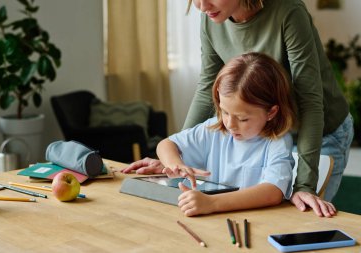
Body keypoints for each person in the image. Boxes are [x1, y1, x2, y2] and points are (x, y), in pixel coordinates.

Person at [123, 0, 354, 217]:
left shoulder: (288, 12)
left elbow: (310, 101)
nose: (202, 6)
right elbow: (206, 89)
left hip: (319, 130)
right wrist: (177, 161)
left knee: (297, 218)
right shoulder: (212, 16)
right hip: (256, 128)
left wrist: (305, 185)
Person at [125, 52, 296, 216]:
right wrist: (176, 164)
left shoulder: (277, 141)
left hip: (254, 223)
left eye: (242, 119)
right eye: (225, 112)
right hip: (213, 219)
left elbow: (272, 192)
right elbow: (166, 144)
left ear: (271, 112)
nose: (230, 124)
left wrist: (212, 203)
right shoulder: (215, 129)